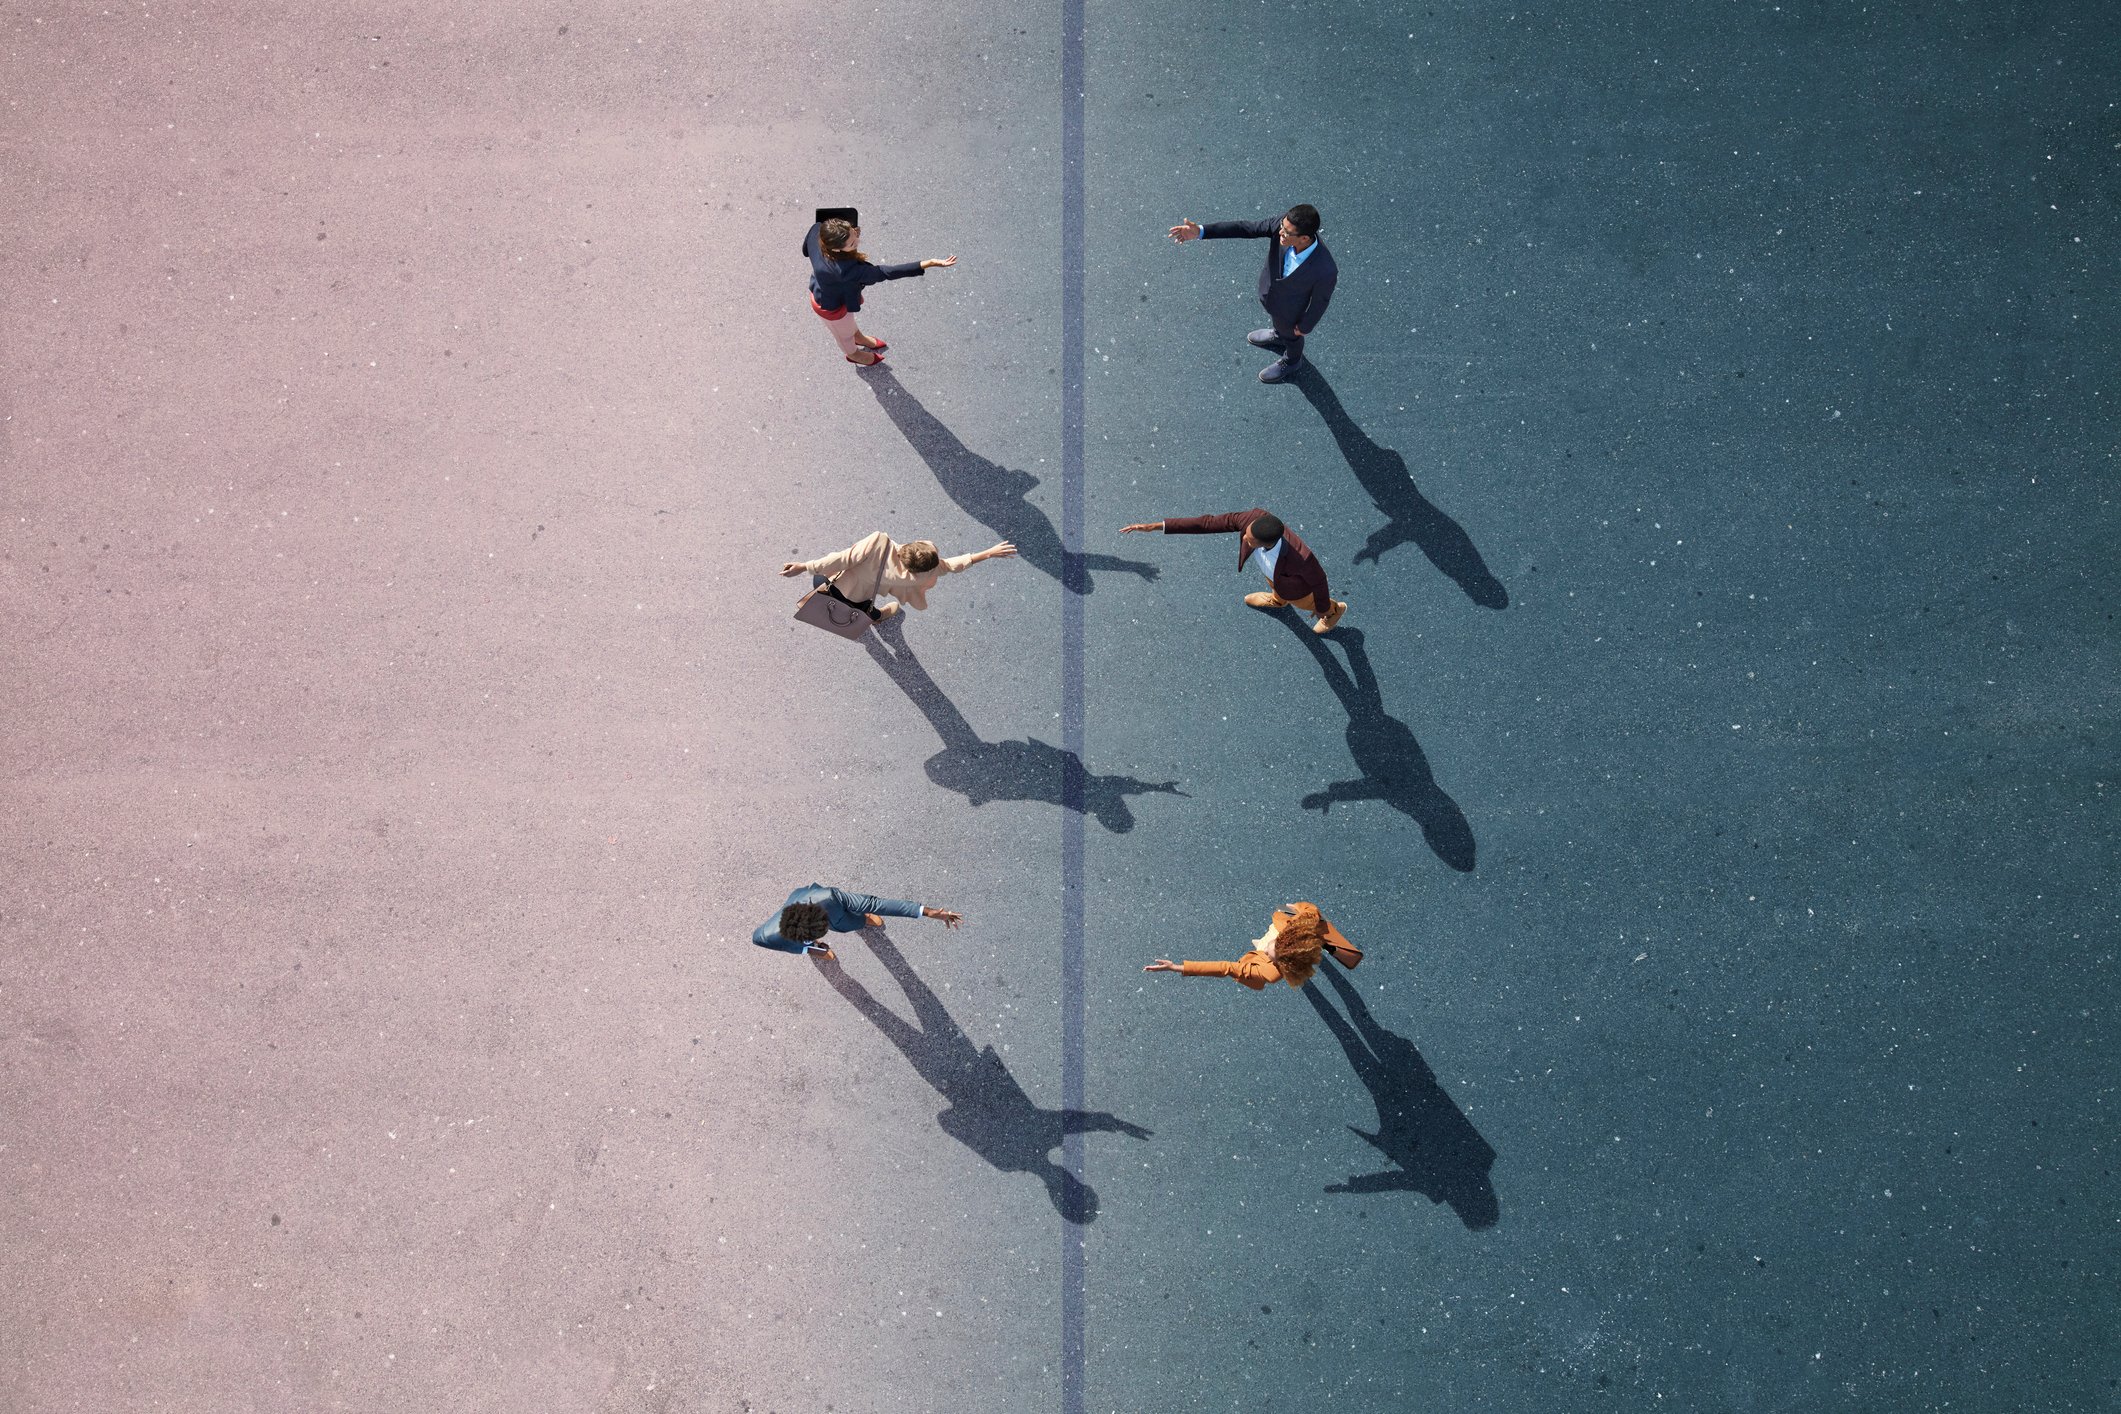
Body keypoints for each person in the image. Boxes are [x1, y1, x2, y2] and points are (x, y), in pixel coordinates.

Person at [1166, 204, 1336, 383]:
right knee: (1280, 327)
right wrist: (1201, 231)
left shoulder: (1325, 269)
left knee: (1292, 337)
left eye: (1287, 232)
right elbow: (1246, 228)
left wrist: (1305, 327)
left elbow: (1320, 301)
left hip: (1290, 314)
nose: (1280, 233)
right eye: (1282, 227)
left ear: (1304, 238)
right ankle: (1278, 335)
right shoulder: (1282, 226)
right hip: (1270, 295)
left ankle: (1292, 361)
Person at [1119, 508, 1347, 634]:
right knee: (1275, 584)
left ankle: (1334, 611)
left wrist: (1321, 607)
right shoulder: (1252, 519)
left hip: (1298, 592)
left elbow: (1319, 581)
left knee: (1306, 601)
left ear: (1265, 543)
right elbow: (1207, 523)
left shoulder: (1302, 558)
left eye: (1250, 540)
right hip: (1275, 577)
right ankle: (1278, 601)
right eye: (1245, 534)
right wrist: (1157, 526)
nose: (1244, 539)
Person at [802, 218, 957, 366]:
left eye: (854, 233)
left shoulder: (818, 230)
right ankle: (853, 354)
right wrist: (928, 263)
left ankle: (858, 337)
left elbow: (806, 250)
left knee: (848, 323)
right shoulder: (848, 272)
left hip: (825, 289)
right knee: (844, 335)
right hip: (830, 308)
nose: (858, 241)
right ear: (836, 248)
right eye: (852, 243)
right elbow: (885, 272)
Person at [779, 531, 1016, 618]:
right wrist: (989, 553)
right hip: (863, 595)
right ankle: (875, 616)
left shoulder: (878, 544)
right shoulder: (925, 574)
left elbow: (840, 559)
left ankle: (824, 585)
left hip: (842, 580)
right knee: (864, 609)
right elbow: (953, 565)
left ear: (906, 549)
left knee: (827, 577)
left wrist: (803, 566)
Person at [1144, 902, 1346, 990]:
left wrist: (1177, 967)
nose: (1266, 949)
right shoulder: (1294, 927)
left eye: (1271, 955)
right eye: (1273, 946)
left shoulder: (1269, 973)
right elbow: (1310, 909)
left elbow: (1225, 968)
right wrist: (1296, 907)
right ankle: (1310, 953)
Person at [753, 883, 963, 960]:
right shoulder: (765, 937)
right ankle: (817, 950)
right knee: (818, 950)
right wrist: (810, 949)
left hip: (836, 913)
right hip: (797, 940)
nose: (823, 931)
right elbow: (795, 945)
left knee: (856, 921)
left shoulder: (829, 897)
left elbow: (877, 904)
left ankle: (862, 921)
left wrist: (928, 912)